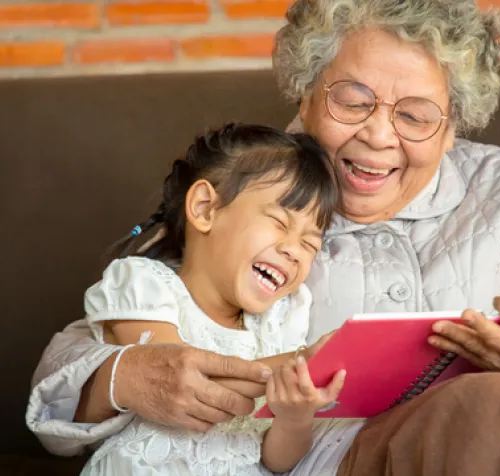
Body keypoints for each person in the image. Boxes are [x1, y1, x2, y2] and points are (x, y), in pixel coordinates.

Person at [27, 0, 500, 474]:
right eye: (352, 101)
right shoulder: (261, 184)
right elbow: (122, 319)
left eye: (416, 116)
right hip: (319, 461)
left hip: (479, 446)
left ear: (452, 130)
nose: (377, 135)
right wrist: (125, 376)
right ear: (305, 97)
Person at [80, 123, 348, 475]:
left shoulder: (280, 319)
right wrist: (300, 363)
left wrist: (294, 415)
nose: (294, 251)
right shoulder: (145, 286)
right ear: (206, 208)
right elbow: (181, 380)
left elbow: (277, 461)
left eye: (310, 243)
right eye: (280, 224)